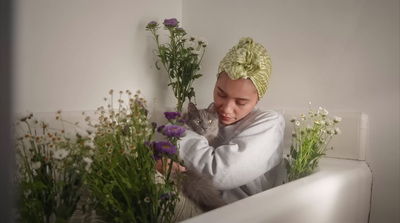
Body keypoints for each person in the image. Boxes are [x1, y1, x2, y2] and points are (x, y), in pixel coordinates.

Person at [178, 37, 285, 203]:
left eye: (241, 102)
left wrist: (178, 133)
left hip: (236, 213)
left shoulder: (269, 122)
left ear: (258, 98)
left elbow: (218, 173)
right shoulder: (210, 116)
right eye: (221, 94)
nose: (226, 109)